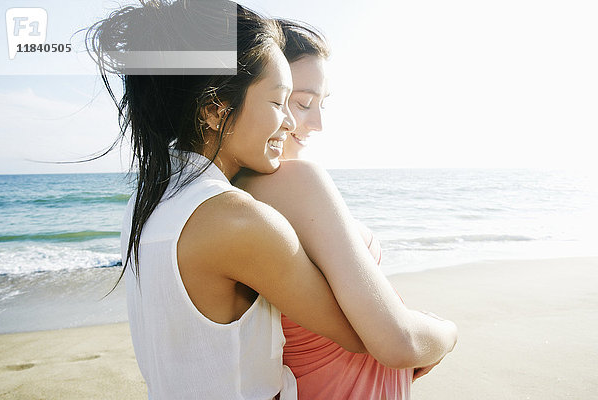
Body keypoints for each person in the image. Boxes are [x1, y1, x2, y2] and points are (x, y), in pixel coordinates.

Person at [89, 1, 456, 399]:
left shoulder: (149, 203)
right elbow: (386, 339)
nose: (292, 122)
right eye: (282, 101)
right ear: (215, 108)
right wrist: (446, 332)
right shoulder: (238, 220)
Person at [234, 20, 456, 399]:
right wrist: (446, 333)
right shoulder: (292, 181)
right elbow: (397, 341)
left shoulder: (227, 194)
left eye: (322, 104)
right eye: (302, 103)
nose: (317, 123)